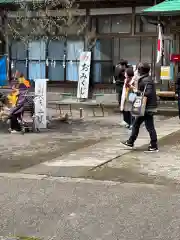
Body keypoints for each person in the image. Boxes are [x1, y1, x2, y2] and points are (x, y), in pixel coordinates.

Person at [122, 62, 158, 152]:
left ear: (141, 70)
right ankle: (131, 142)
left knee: (148, 126)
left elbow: (148, 93)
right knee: (138, 124)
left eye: (138, 69)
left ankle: (153, 145)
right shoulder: (145, 79)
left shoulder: (146, 80)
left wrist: (137, 92)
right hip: (146, 106)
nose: (137, 71)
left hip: (147, 107)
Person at [114, 59, 129, 126]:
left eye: (120, 65)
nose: (119, 66)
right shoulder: (123, 70)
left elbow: (117, 78)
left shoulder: (125, 71)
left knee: (124, 105)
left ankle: (126, 120)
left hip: (124, 90)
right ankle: (126, 120)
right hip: (122, 90)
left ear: (123, 65)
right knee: (123, 105)